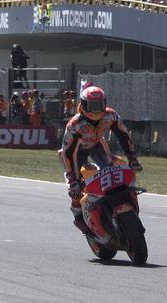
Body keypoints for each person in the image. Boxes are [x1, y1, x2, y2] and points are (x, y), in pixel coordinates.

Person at [59, 85, 141, 238]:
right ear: (83, 106)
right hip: (75, 153)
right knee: (76, 187)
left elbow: (124, 136)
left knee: (111, 169)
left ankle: (114, 202)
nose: (97, 110)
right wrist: (72, 178)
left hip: (96, 145)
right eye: (92, 106)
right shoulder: (75, 125)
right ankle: (78, 216)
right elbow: (69, 152)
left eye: (99, 105)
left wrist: (132, 159)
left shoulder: (111, 116)